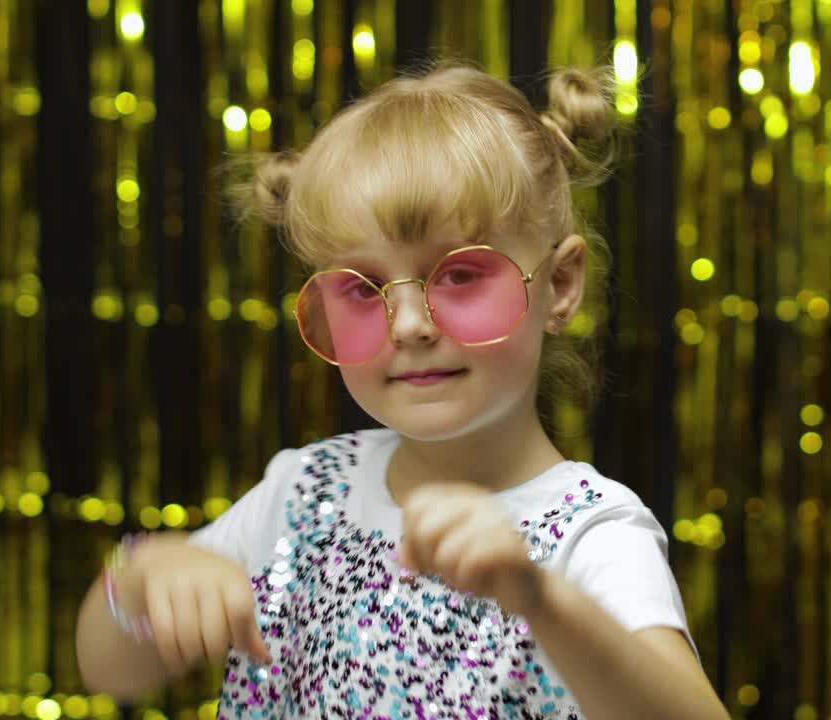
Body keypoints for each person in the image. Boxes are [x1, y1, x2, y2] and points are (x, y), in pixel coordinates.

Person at [75, 62, 728, 720]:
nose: (410, 324)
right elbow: (109, 671)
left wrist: (542, 600)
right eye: (363, 288)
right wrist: (142, 581)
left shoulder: (590, 535)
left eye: (461, 274)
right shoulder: (301, 493)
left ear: (558, 285)